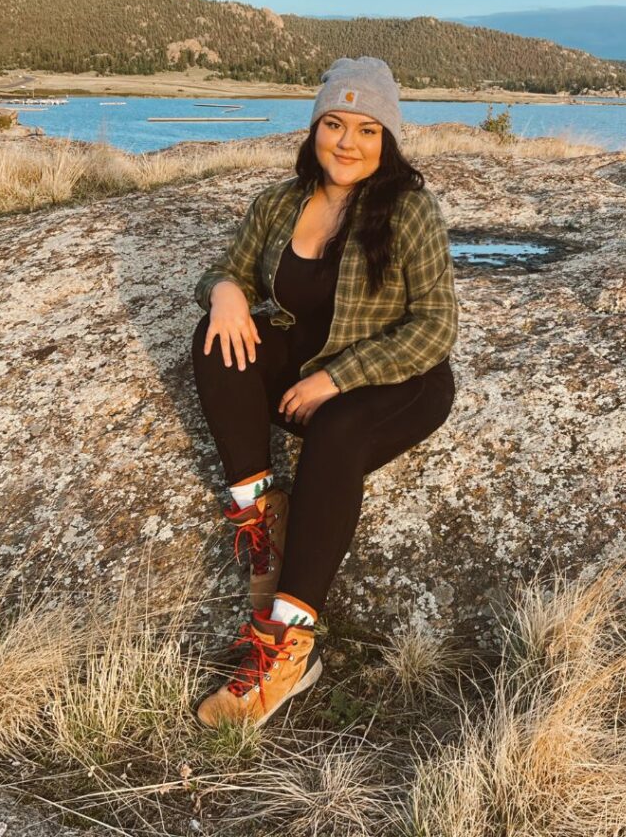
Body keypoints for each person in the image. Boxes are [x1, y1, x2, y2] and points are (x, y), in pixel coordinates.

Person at [190, 55, 458, 727]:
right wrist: (224, 293)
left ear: (388, 139)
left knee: (335, 433)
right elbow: (231, 270)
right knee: (216, 340)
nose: (347, 142)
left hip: (399, 378)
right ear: (314, 130)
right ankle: (259, 515)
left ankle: (288, 645)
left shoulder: (409, 211)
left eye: (367, 129)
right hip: (307, 360)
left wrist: (336, 378)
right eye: (334, 124)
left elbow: (436, 325)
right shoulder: (279, 203)